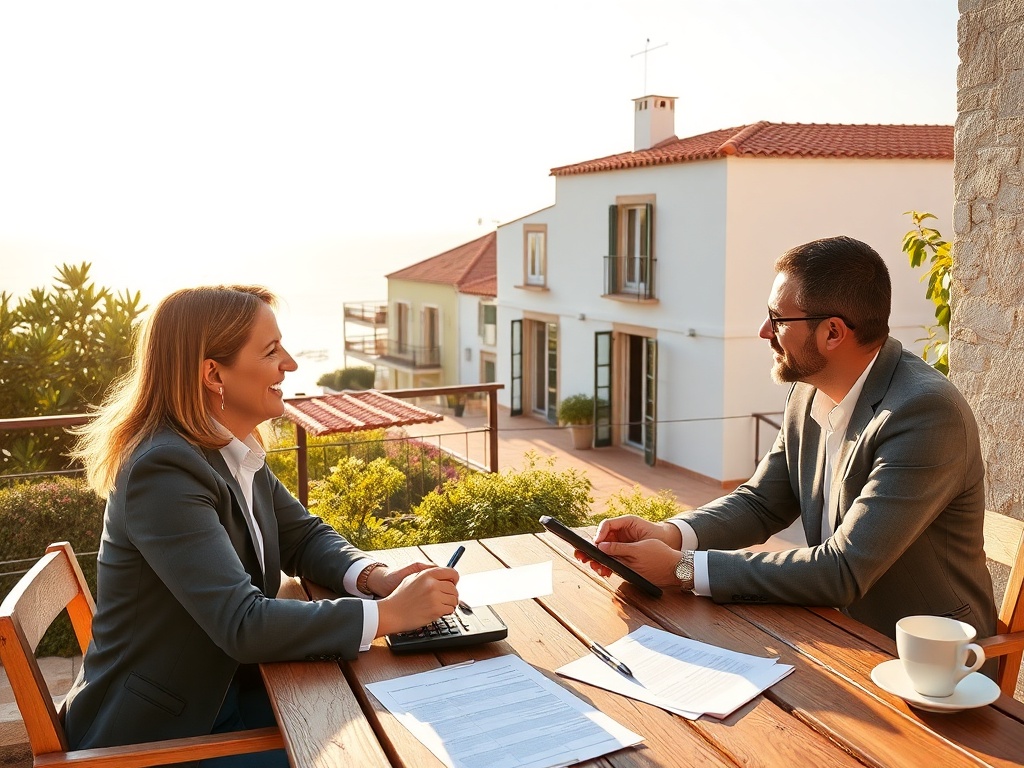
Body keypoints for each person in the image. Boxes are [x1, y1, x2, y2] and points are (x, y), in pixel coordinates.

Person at [64, 285, 460, 763]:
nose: (289, 364)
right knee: (380, 751)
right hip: (163, 735)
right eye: (271, 351)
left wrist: (373, 576)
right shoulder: (163, 470)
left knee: (396, 721)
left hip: (229, 690)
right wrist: (391, 615)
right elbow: (243, 624)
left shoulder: (226, 448)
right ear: (213, 373)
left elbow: (303, 535)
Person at [581, 235, 997, 643]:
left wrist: (683, 569)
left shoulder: (924, 413)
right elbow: (761, 502)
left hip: (927, 659)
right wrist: (671, 535)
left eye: (778, 318)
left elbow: (843, 570)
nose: (764, 330)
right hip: (831, 628)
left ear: (833, 332)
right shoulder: (808, 392)